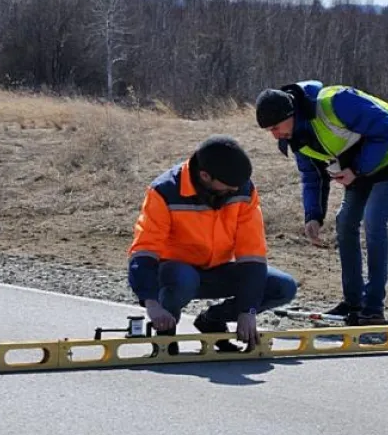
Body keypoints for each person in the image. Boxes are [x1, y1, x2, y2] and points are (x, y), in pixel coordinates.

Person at [254, 80, 388, 326]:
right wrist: (313, 215)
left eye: (276, 127)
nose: (275, 135)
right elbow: (312, 176)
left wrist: (357, 169)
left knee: (374, 221)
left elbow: (386, 128)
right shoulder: (295, 138)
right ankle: (353, 302)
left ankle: (373, 307)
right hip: (360, 163)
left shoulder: (336, 102)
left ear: (292, 113)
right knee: (345, 222)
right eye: (269, 130)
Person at [127, 134, 298, 353]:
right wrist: (151, 304)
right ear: (205, 176)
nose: (235, 191)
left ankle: (212, 320)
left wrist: (249, 310)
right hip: (176, 275)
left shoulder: (243, 190)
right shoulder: (164, 191)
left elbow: (252, 253)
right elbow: (144, 250)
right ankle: (165, 332)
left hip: (219, 270)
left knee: (283, 287)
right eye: (228, 187)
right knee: (183, 278)